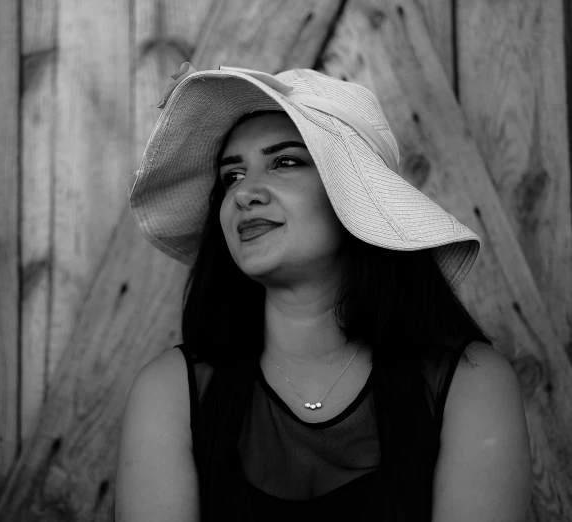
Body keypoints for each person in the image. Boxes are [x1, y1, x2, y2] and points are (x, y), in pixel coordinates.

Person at [115, 63, 531, 521]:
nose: (244, 193)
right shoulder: (170, 390)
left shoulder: (471, 383)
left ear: (355, 195)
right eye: (231, 176)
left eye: (285, 162)